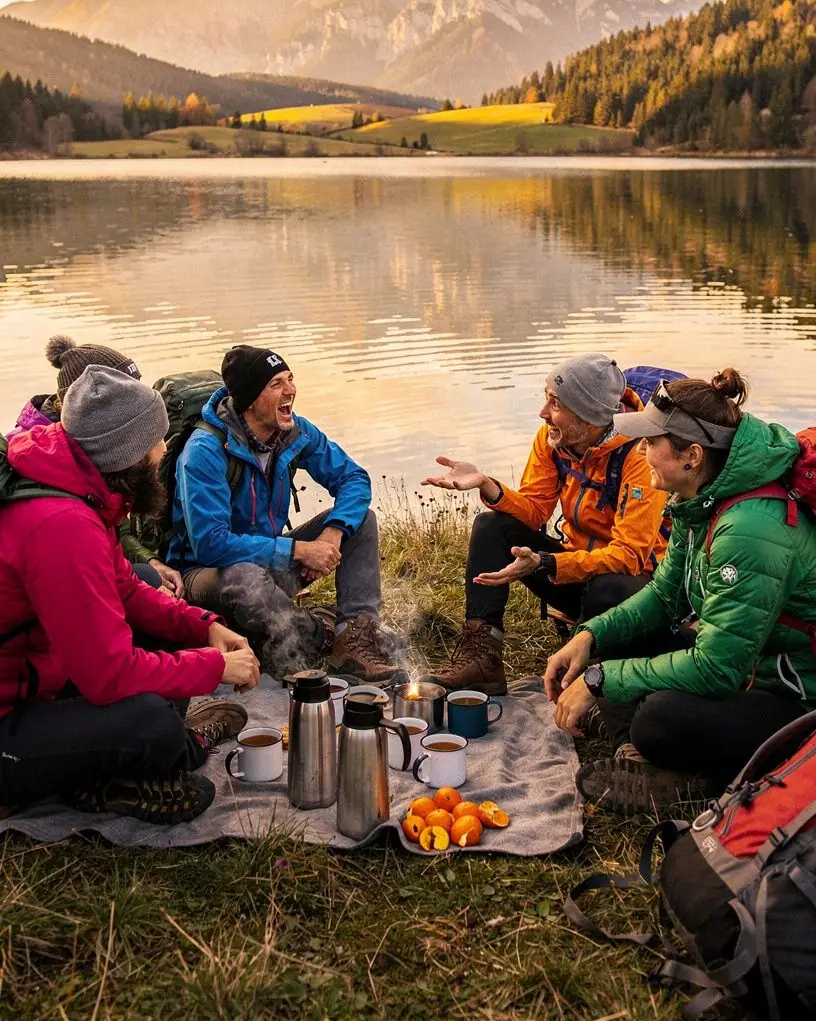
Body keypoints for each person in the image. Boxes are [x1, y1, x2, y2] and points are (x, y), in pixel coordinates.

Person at [544, 369, 816, 812]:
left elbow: (716, 670)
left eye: (652, 443)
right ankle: (641, 756)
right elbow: (663, 596)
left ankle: (688, 775)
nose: (642, 451)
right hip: (747, 665)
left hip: (796, 699)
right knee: (613, 609)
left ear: (691, 455)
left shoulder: (748, 530)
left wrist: (600, 679)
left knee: (659, 716)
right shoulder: (701, 499)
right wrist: (589, 636)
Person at [0, 365, 260, 824]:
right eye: (156, 442)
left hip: (34, 671)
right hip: (8, 720)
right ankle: (155, 758)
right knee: (152, 725)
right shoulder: (62, 526)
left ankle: (106, 757)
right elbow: (109, 676)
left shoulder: (74, 484)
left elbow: (123, 584)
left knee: (148, 582)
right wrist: (214, 666)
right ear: (126, 452)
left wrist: (203, 626)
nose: (162, 453)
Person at [423, 354, 670, 694]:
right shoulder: (553, 439)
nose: (542, 413)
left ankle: (589, 683)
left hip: (634, 591)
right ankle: (482, 660)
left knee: (608, 586)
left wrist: (549, 562)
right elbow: (536, 510)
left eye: (555, 404)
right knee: (491, 526)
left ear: (588, 416)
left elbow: (629, 557)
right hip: (573, 572)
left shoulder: (639, 455)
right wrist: (488, 486)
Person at [167, 344, 406, 686]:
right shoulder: (204, 451)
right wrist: (297, 551)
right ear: (250, 398)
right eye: (276, 384)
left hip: (269, 563)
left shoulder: (294, 432)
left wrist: (333, 532)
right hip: (206, 575)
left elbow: (353, 478)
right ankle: (318, 633)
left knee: (360, 520)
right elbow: (210, 544)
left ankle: (356, 637)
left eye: (290, 379)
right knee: (247, 578)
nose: (290, 390)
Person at [11, 334, 184, 597]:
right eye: (126, 392)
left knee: (147, 574)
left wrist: (149, 559)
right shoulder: (41, 464)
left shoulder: (84, 450)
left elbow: (112, 522)